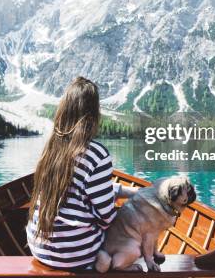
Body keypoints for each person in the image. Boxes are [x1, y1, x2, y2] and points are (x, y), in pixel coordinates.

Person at [26, 77, 138, 270]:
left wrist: (118, 190)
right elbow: (107, 217)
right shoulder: (96, 154)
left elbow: (74, 191)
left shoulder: (51, 148)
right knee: (133, 227)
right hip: (77, 254)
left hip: (40, 249)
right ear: (93, 114)